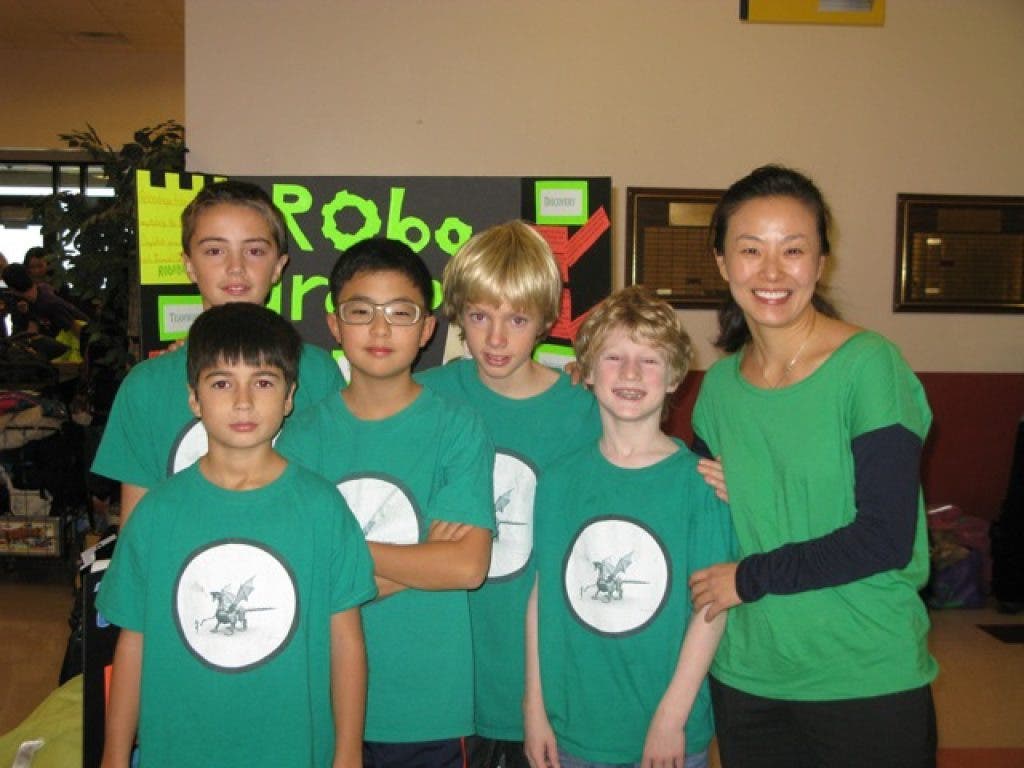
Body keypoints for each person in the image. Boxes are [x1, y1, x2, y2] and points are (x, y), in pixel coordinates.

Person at [688, 164, 937, 768]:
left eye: (793, 250)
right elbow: (700, 514)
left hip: (864, 677)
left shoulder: (868, 366)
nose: (772, 272)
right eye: (751, 250)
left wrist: (750, 577)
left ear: (821, 262)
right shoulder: (719, 388)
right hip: (748, 677)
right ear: (722, 262)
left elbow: (884, 536)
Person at [97, 303, 376, 768]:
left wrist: (348, 753)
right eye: (222, 383)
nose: (243, 402)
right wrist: (114, 754)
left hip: (294, 751)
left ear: (289, 397)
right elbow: (133, 643)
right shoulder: (156, 514)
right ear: (194, 398)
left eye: (263, 382)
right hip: (179, 752)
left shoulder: (322, 508)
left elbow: (346, 641)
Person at [276, 237, 495, 768]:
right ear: (334, 324)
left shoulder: (456, 427)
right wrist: (421, 560)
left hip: (430, 707)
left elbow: (466, 566)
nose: (379, 329)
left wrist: (340, 555)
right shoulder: (300, 436)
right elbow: (297, 575)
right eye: (361, 311)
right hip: (322, 700)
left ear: (427, 329)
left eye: (400, 313)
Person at [524, 286, 736, 768]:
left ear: (674, 376)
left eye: (650, 360)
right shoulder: (558, 481)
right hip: (571, 727)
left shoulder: (700, 485)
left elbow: (711, 610)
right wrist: (533, 707)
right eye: (614, 357)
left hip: (666, 731)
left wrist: (671, 717)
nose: (631, 373)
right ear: (587, 371)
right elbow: (543, 595)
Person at [418, 220, 601, 768]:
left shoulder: (584, 408)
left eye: (517, 319)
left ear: (546, 319)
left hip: (546, 680)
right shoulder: (425, 398)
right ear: (457, 314)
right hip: (447, 679)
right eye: (480, 317)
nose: (496, 339)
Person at [91, 180, 344, 524]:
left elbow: (336, 501)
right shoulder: (146, 386)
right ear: (189, 264)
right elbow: (138, 526)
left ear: (278, 266)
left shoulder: (317, 372)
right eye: (214, 251)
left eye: (255, 251)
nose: (235, 267)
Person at [2, 261, 87, 338]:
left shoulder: (49, 303)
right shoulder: (34, 297)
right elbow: (32, 331)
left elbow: (78, 331)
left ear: (12, 289)